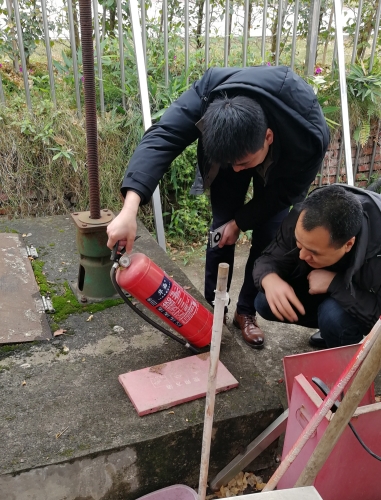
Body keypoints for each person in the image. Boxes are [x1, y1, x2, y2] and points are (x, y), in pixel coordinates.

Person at [106, 65, 330, 349]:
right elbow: (163, 136)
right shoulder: (210, 90)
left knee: (268, 236)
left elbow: (285, 193)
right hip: (237, 147)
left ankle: (245, 311)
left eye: (245, 163)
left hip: (281, 173)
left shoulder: (308, 133)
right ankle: (214, 308)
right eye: (232, 164)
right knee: (221, 231)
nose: (238, 171)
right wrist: (129, 209)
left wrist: (242, 222)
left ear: (268, 137)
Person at [253, 184, 381, 348]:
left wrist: (335, 284)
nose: (301, 255)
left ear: (348, 245)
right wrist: (268, 278)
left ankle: (345, 353)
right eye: (299, 244)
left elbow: (378, 318)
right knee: (265, 301)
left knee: (333, 317)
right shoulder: (305, 217)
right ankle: (330, 330)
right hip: (322, 288)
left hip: (362, 300)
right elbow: (270, 257)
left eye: (313, 252)